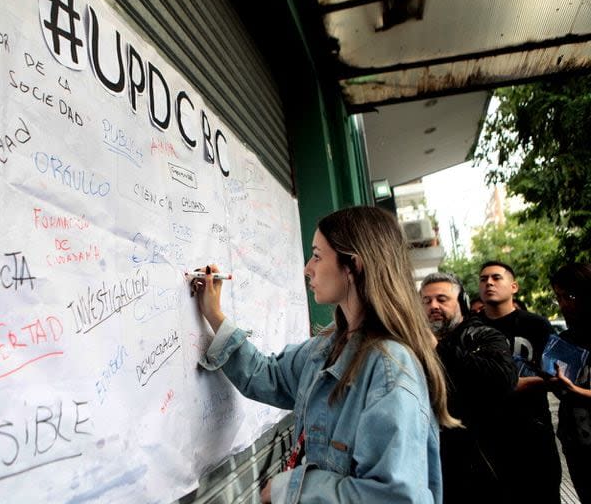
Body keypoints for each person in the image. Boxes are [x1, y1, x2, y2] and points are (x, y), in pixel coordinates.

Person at [191, 206, 457, 503]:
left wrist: (295, 488)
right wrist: (214, 315)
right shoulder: (328, 346)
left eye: (317, 256)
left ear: (353, 266)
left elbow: (394, 497)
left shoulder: (390, 368)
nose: (307, 268)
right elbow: (268, 377)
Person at [420, 272, 517, 503]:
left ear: (462, 302)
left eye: (442, 299)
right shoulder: (415, 344)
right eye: (426, 301)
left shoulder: (484, 335)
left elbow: (503, 380)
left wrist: (439, 349)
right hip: (435, 465)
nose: (433, 306)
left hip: (481, 465)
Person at [478, 260, 562, 504]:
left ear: (514, 286)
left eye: (496, 277)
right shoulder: (471, 329)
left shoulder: (536, 325)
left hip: (533, 433)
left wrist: (527, 383)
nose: (489, 283)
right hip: (489, 439)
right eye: (483, 279)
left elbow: (557, 375)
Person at [548, 263, 591, 503]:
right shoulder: (565, 339)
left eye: (570, 296)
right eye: (559, 297)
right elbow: (562, 388)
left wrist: (577, 391)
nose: (564, 304)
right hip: (577, 442)